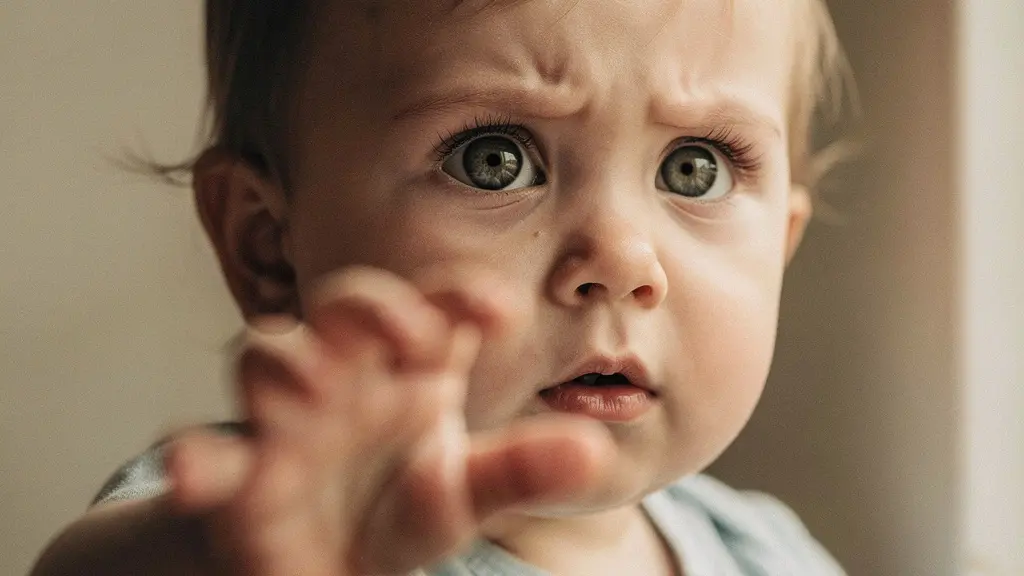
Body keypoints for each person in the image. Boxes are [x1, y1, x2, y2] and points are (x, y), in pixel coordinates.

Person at [32, 1, 850, 574]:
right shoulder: (272, 517)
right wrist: (226, 560)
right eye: (494, 159)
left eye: (694, 168)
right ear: (267, 245)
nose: (623, 260)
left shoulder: (768, 556)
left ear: (782, 242)